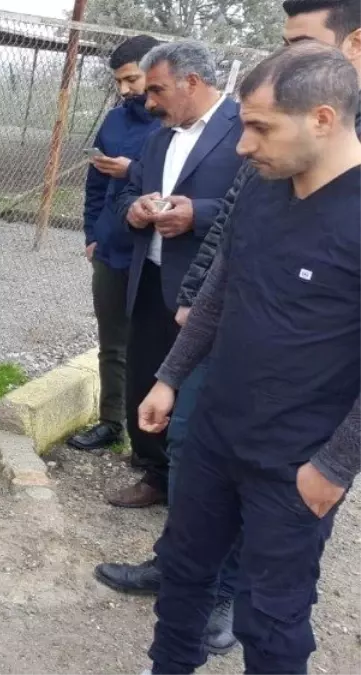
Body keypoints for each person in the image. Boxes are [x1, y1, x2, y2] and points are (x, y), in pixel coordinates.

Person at [96, 0, 361, 656]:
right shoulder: (262, 187)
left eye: (259, 129)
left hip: (292, 461)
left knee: (271, 621)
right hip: (214, 433)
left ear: (321, 120)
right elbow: (216, 293)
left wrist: (331, 465)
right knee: (183, 579)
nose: (242, 146)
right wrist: (168, 377)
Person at [108, 40, 245, 509]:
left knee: (196, 387)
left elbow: (253, 206)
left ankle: (194, 483)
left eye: (158, 90)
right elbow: (126, 195)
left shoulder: (246, 129)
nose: (149, 103)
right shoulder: (158, 136)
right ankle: (155, 473)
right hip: (150, 275)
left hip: (207, 290)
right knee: (146, 375)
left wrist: (198, 214)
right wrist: (138, 210)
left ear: (192, 81)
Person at [68, 35, 164, 453]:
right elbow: (94, 185)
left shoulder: (175, 123)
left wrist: (133, 170)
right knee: (113, 343)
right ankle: (112, 422)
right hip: (111, 250)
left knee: (156, 345)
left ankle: (156, 436)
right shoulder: (115, 121)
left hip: (158, 252)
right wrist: (92, 235)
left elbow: (183, 187)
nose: (125, 90)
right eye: (119, 82)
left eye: (131, 79)